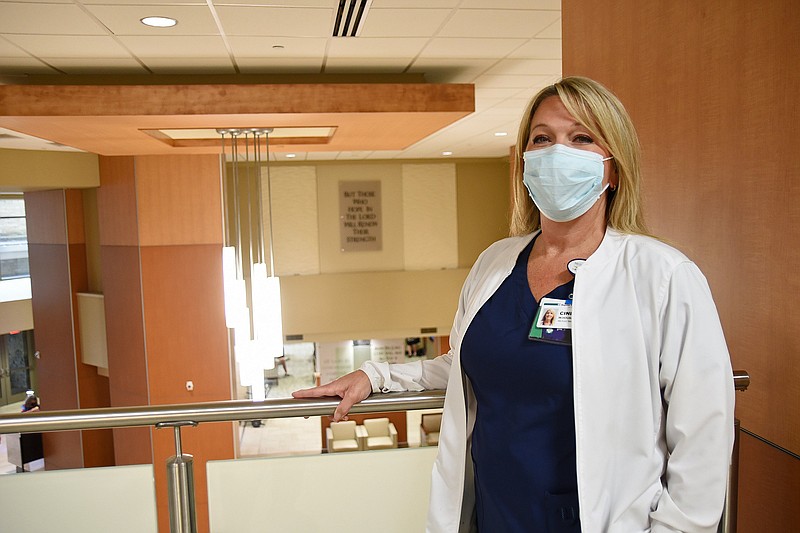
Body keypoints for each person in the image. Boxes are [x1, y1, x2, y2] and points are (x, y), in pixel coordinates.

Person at [294, 76, 734, 533]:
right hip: (495, 516)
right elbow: (473, 363)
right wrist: (376, 374)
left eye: (581, 137)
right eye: (542, 138)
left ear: (614, 169)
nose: (556, 152)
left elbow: (703, 436)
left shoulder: (662, 277)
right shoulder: (495, 264)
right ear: (524, 162)